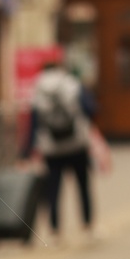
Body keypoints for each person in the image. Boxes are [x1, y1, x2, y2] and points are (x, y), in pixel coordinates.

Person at [20, 56, 99, 243]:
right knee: (83, 186)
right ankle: (87, 226)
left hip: (51, 149)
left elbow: (33, 123)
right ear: (60, 69)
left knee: (54, 189)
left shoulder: (37, 89)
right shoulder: (72, 84)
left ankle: (55, 231)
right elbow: (91, 108)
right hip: (77, 145)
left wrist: (25, 153)